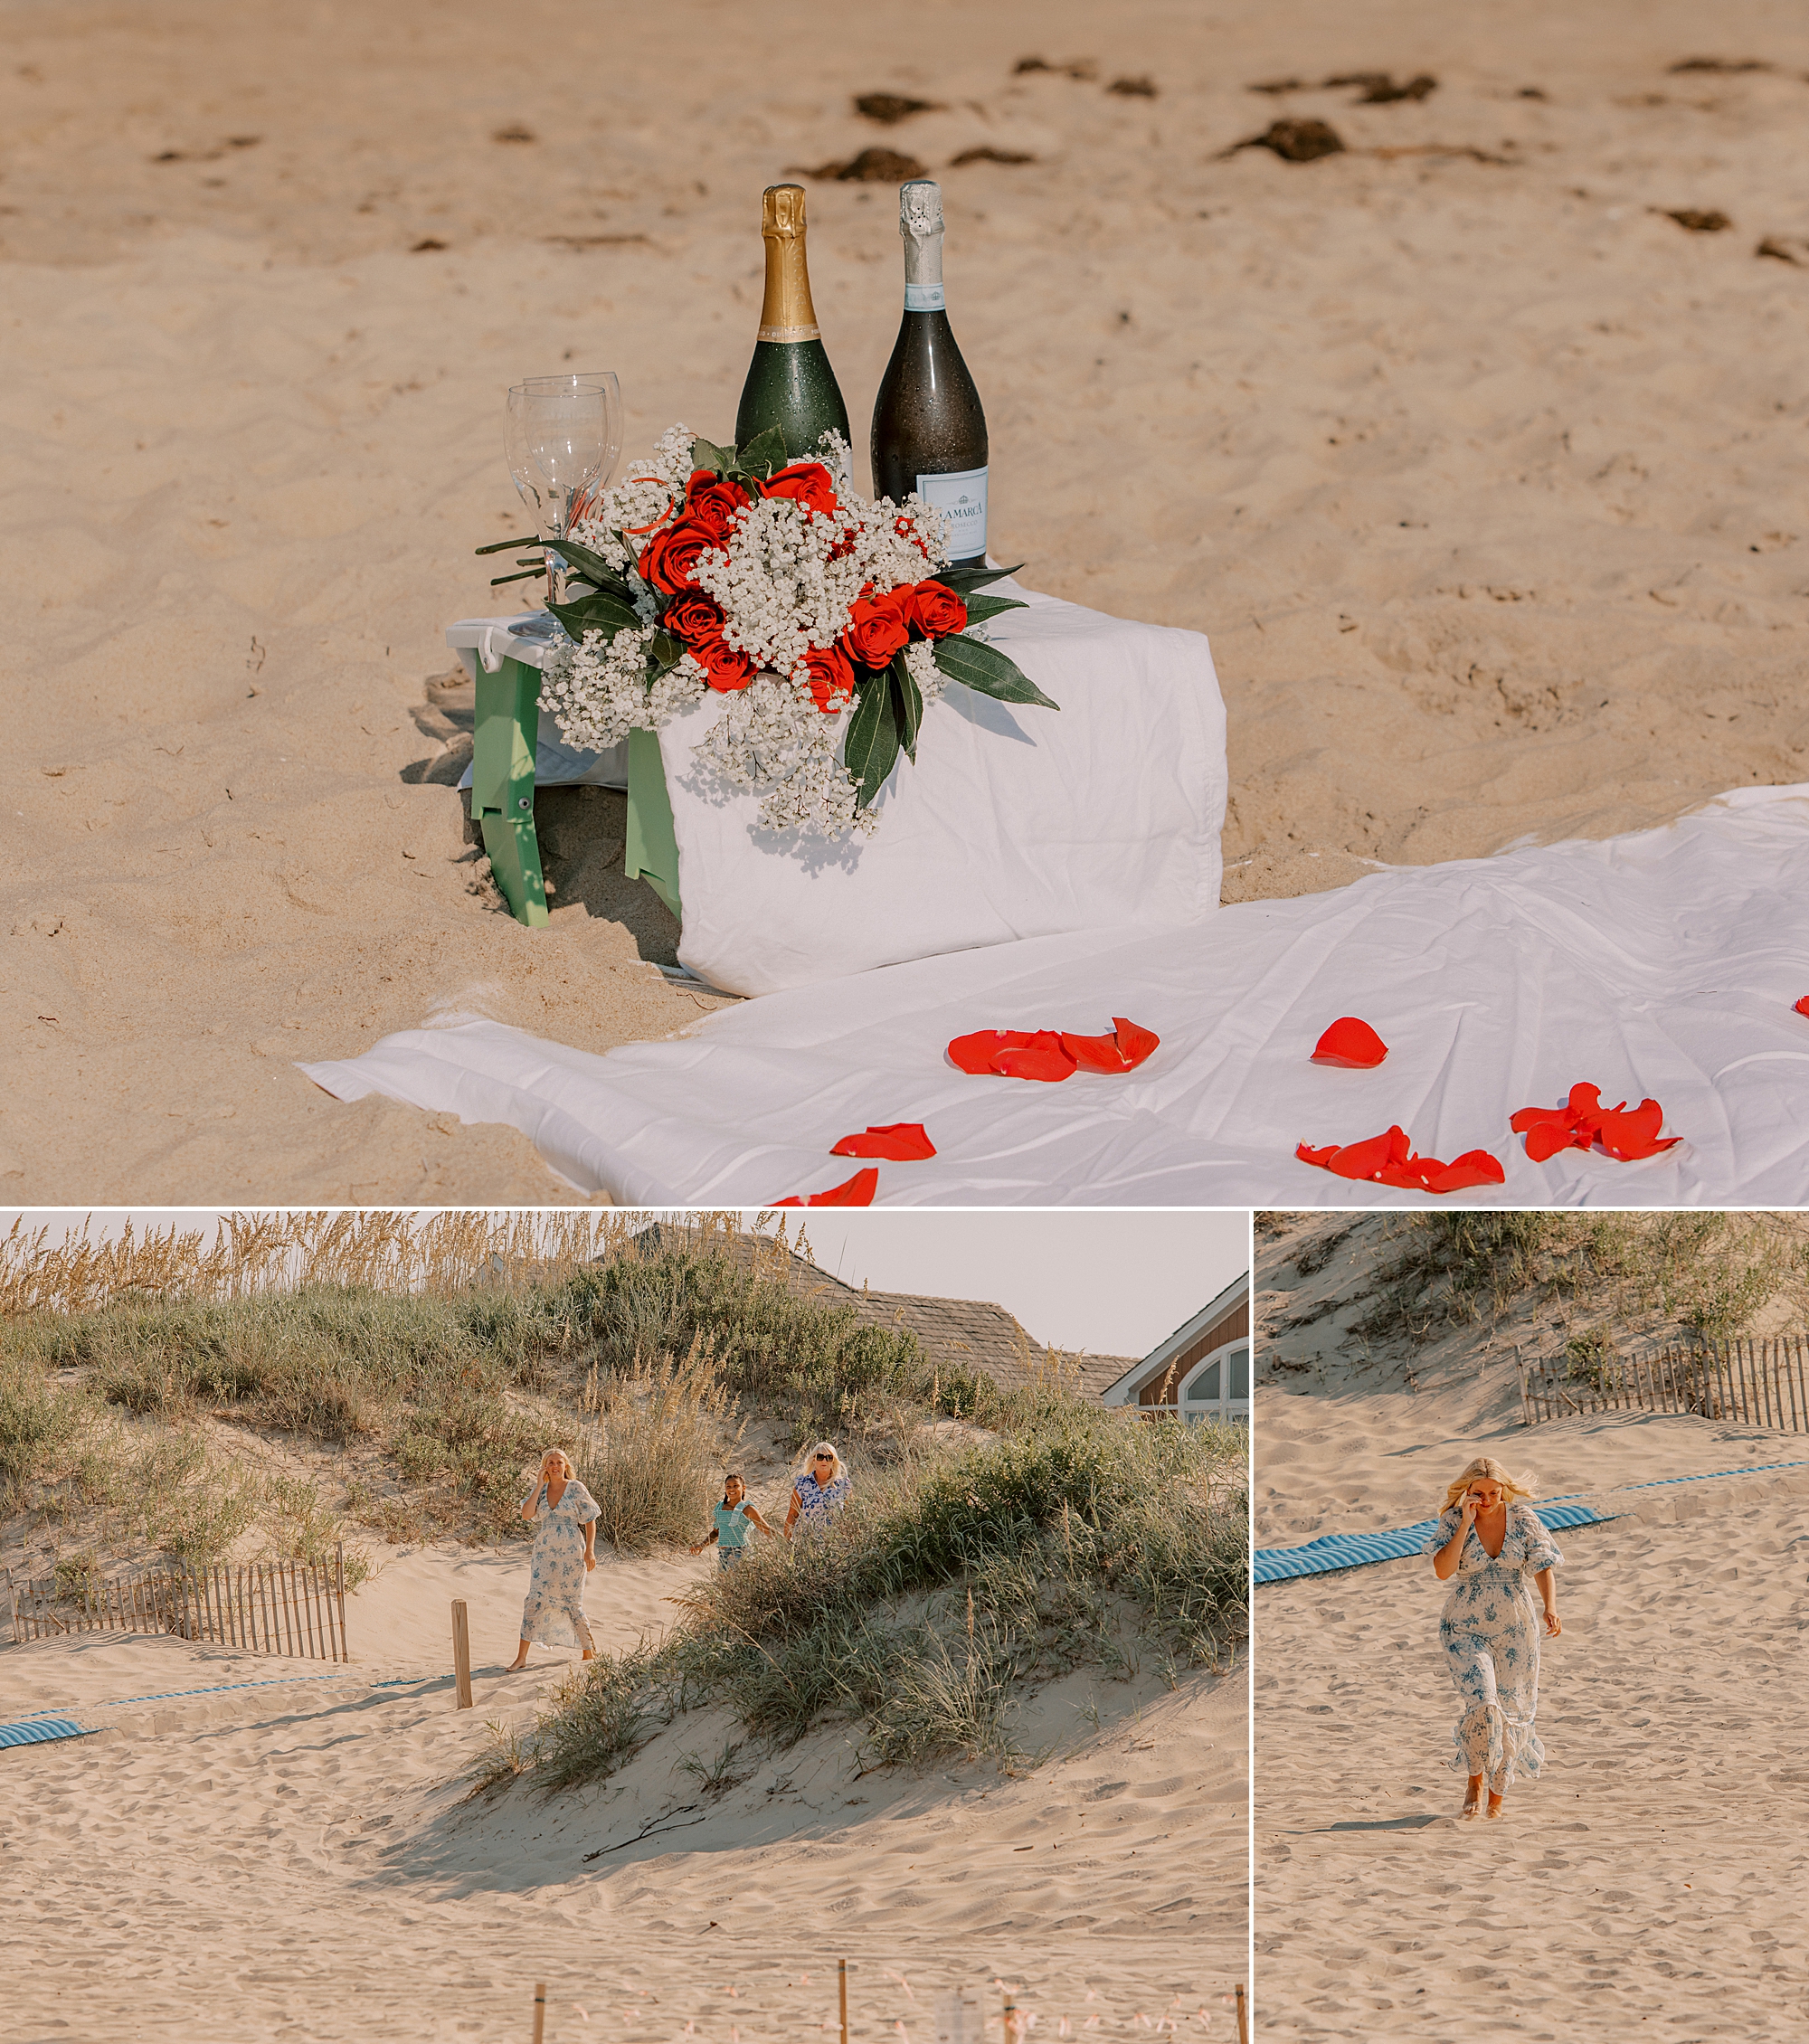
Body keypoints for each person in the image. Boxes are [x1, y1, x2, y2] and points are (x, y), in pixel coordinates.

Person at [1422, 1455, 1563, 1819]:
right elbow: (1442, 1571)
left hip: (1516, 1627)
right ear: (1466, 1491)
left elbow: (1543, 1564)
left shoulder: (1524, 1520)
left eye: (1493, 1493)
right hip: (1464, 1627)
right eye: (1478, 1493)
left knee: (1512, 1712)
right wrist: (1466, 1524)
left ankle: (1498, 1795)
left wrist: (1550, 1606)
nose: (1486, 1500)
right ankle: (1475, 1781)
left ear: (1504, 1490)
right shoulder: (1454, 1520)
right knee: (1483, 1704)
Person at [506, 1448, 601, 1672]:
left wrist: (590, 1550)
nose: (555, 1466)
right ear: (545, 1466)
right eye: (550, 1462)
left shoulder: (576, 1488)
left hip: (572, 1553)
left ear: (566, 1465)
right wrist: (539, 1484)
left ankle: (588, 1651)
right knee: (534, 1599)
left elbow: (589, 1519)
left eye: (559, 1462)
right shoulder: (541, 1489)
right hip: (544, 1554)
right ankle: (521, 1658)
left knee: (572, 1602)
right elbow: (527, 1514)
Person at [688, 1472, 778, 1568]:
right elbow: (716, 1533)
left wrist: (786, 1543)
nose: (731, 1489)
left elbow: (766, 1528)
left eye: (736, 1486)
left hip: (741, 1552)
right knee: (723, 1581)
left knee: (735, 1577)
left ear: (743, 1488)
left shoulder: (748, 1509)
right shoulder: (720, 1508)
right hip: (723, 1554)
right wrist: (702, 1545)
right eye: (728, 1486)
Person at [783, 1441, 850, 1538]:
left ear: (833, 1461)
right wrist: (786, 1543)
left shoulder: (844, 1485)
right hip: (807, 1542)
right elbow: (792, 1515)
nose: (824, 1461)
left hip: (835, 1543)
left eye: (829, 1458)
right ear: (814, 1460)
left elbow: (850, 1514)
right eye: (820, 1457)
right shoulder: (802, 1484)